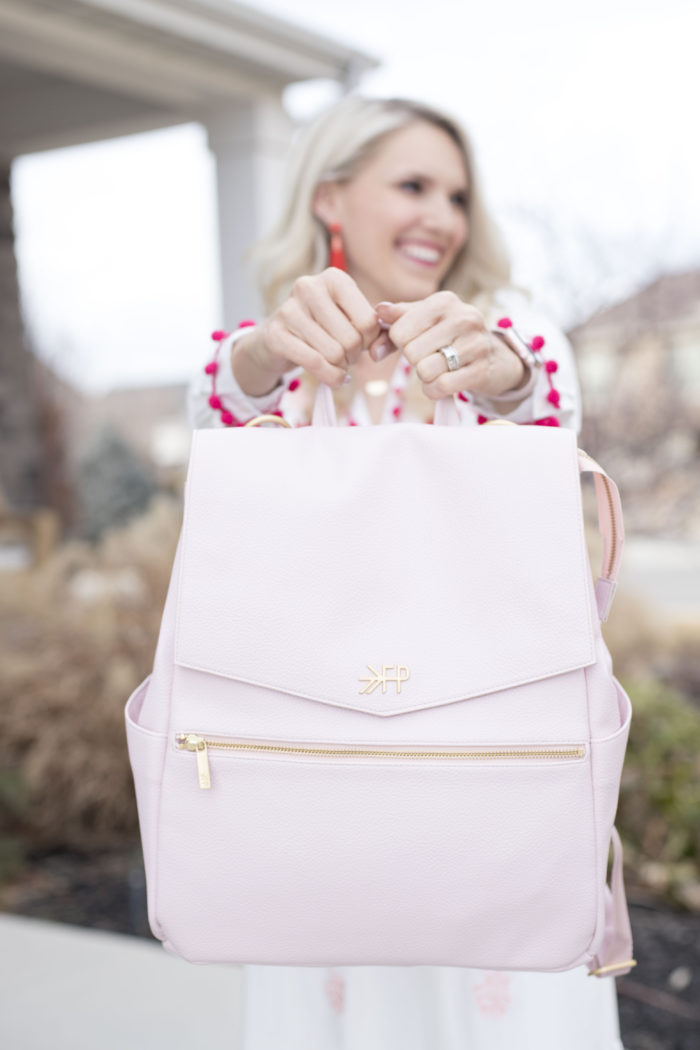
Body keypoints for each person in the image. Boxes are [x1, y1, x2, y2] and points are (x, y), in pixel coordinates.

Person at [188, 96, 624, 1050]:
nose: (443, 216)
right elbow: (220, 402)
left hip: (490, 771)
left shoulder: (509, 333)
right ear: (332, 195)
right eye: (414, 185)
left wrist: (495, 364)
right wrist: (268, 346)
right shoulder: (278, 364)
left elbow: (541, 395)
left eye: (457, 194)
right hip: (314, 777)